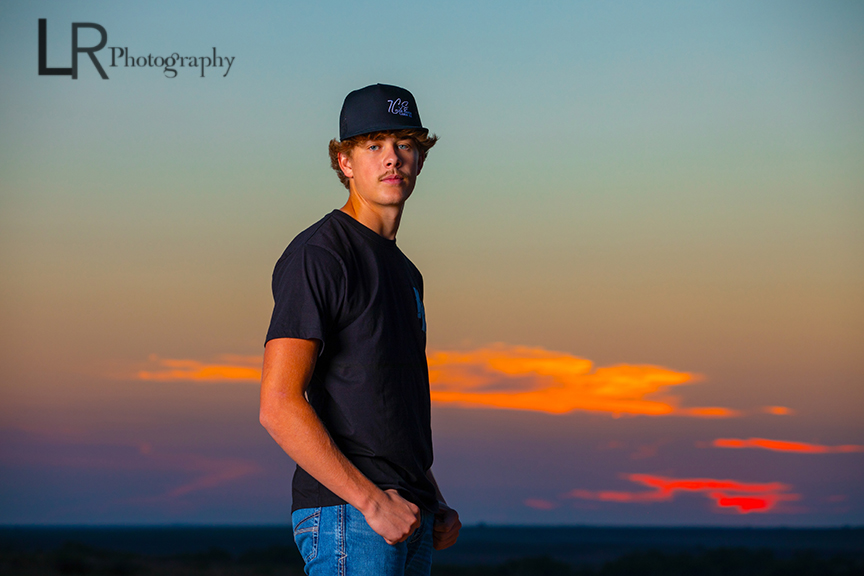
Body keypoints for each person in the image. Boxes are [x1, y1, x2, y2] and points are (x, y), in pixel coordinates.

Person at [259, 83, 460, 576]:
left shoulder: (406, 273)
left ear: (420, 159)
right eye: (373, 145)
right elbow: (278, 404)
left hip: (406, 513)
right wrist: (371, 502)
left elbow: (385, 403)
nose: (392, 158)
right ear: (344, 162)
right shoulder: (321, 254)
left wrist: (431, 496)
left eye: (404, 144)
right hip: (351, 516)